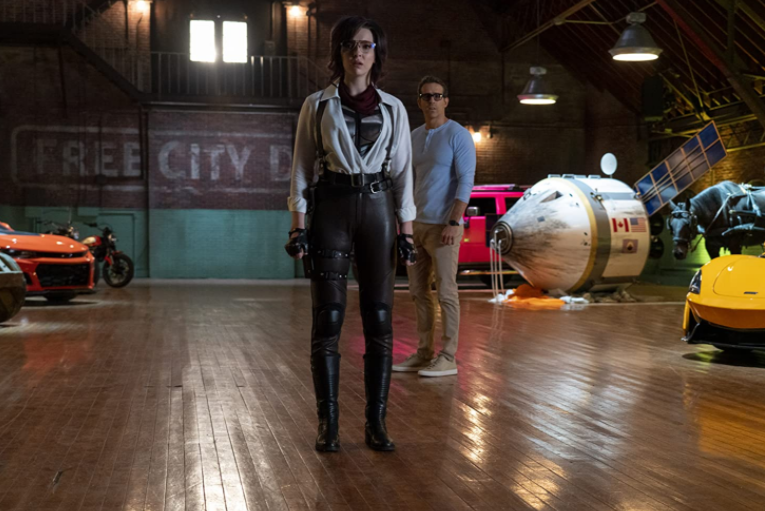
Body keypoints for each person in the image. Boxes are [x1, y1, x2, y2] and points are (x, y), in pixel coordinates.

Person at [285, 16, 416, 452]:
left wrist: (406, 232)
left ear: (376, 53)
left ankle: (376, 423)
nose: (357, 53)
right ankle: (328, 424)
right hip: (332, 209)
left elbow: (403, 174)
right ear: (338, 52)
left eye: (366, 45)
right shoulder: (317, 106)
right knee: (328, 318)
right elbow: (301, 168)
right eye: (349, 45)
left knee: (379, 318)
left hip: (378, 209)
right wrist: (298, 227)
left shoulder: (394, 108)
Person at [392, 75, 475, 377]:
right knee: (417, 291)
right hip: (417, 226)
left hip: (444, 227)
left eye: (437, 96)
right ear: (419, 101)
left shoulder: (458, 135)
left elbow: (466, 181)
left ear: (446, 101)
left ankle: (448, 356)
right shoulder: (414, 136)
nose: (432, 101)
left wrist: (454, 221)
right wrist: (405, 224)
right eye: (426, 96)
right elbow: (407, 180)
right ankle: (424, 352)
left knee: (446, 292)